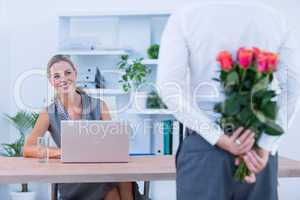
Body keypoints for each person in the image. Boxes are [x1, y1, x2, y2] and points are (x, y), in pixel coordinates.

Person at [157, 1, 300, 200]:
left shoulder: (186, 16)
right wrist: (266, 144)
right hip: (257, 150)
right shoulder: (276, 18)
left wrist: (218, 137)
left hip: (204, 151)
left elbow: (168, 87)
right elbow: (293, 88)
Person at [23, 55, 142, 200]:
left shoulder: (99, 105)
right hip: (72, 176)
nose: (63, 79)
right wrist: (62, 152)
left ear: (75, 73)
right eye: (57, 76)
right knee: (113, 193)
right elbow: (28, 148)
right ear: (51, 81)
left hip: (100, 170)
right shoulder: (48, 113)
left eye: (67, 73)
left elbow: (113, 144)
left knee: (124, 180)